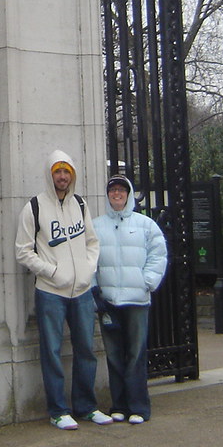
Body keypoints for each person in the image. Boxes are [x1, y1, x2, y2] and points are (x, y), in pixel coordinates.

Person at [15, 150, 112, 430]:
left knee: (86, 350)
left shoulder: (80, 204)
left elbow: (92, 242)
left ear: (72, 176)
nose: (62, 177)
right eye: (58, 171)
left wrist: (87, 269)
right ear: (50, 175)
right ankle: (58, 410)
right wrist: (52, 272)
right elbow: (23, 251)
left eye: (66, 172)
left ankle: (86, 406)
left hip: (81, 291)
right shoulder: (34, 207)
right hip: (50, 292)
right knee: (52, 352)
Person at [92, 174, 168, 424]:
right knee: (114, 355)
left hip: (136, 300)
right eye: (112, 190)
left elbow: (158, 254)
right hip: (109, 300)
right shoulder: (96, 226)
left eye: (121, 190)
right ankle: (119, 404)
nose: (117, 194)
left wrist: (147, 282)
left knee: (135, 354)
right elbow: (88, 260)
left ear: (128, 194)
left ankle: (138, 406)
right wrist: (95, 290)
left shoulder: (145, 224)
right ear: (108, 195)